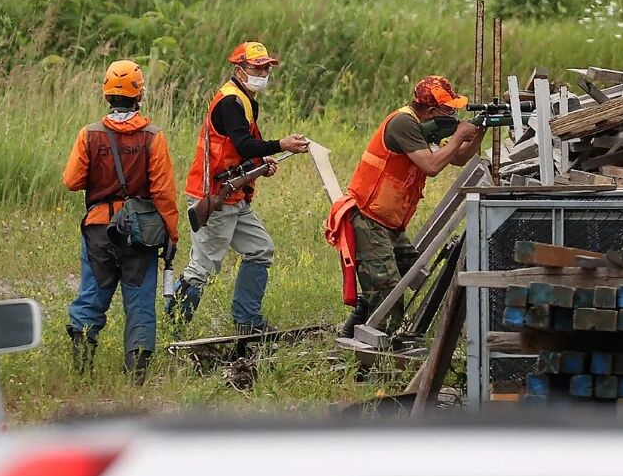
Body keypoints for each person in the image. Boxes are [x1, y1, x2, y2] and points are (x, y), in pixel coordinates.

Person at [327, 76, 485, 336]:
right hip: (368, 219)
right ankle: (377, 359)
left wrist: (478, 133)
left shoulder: (424, 127)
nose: (453, 113)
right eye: (449, 109)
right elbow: (432, 166)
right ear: (433, 111)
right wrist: (458, 136)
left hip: (388, 223)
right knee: (388, 294)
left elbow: (456, 159)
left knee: (402, 278)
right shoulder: (404, 123)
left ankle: (348, 338)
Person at [177, 42, 310, 335]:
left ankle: (247, 322)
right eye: (256, 67)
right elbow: (243, 144)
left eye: (266, 67)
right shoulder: (230, 102)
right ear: (239, 70)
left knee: (261, 249)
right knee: (202, 268)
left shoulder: (245, 99)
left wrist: (260, 162)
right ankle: (172, 329)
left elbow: (240, 150)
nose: (263, 72)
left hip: (233, 194)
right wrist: (280, 145)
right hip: (215, 196)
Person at [63, 60, 179, 383]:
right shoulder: (154, 137)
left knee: (92, 295)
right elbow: (164, 193)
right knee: (140, 300)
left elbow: (71, 180)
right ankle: (136, 379)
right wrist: (172, 233)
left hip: (99, 230)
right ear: (139, 94)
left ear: (106, 94)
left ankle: (81, 373)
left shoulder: (89, 135)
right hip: (140, 233)